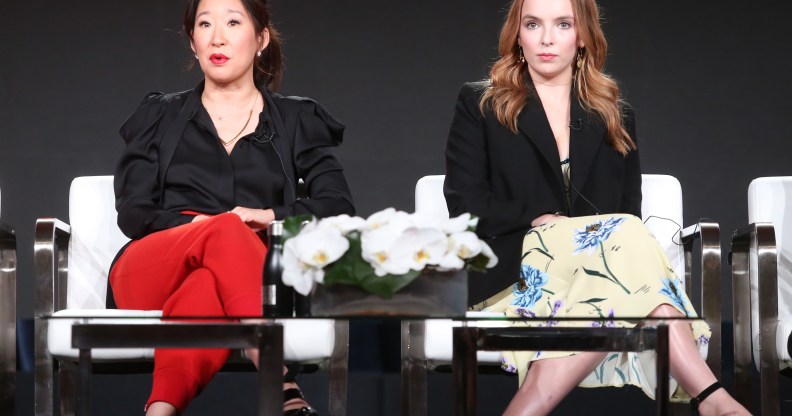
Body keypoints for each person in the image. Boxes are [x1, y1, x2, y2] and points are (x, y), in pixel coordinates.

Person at [443, 0, 749, 414]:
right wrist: (537, 220)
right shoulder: (482, 103)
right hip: (517, 273)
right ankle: (713, 399)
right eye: (533, 24)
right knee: (644, 286)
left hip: (594, 278)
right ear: (518, 35)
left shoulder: (613, 113)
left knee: (626, 246)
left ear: (582, 35)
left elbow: (628, 215)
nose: (547, 38)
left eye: (563, 24)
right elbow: (465, 205)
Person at [109, 0, 354, 414]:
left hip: (251, 281)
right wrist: (205, 228)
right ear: (193, 41)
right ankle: (279, 381)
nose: (217, 36)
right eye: (204, 24)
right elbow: (133, 211)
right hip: (151, 270)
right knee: (225, 229)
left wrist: (270, 216)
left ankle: (158, 411)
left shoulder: (296, 119)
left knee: (206, 285)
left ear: (260, 39)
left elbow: (337, 207)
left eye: (232, 22)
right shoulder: (160, 116)